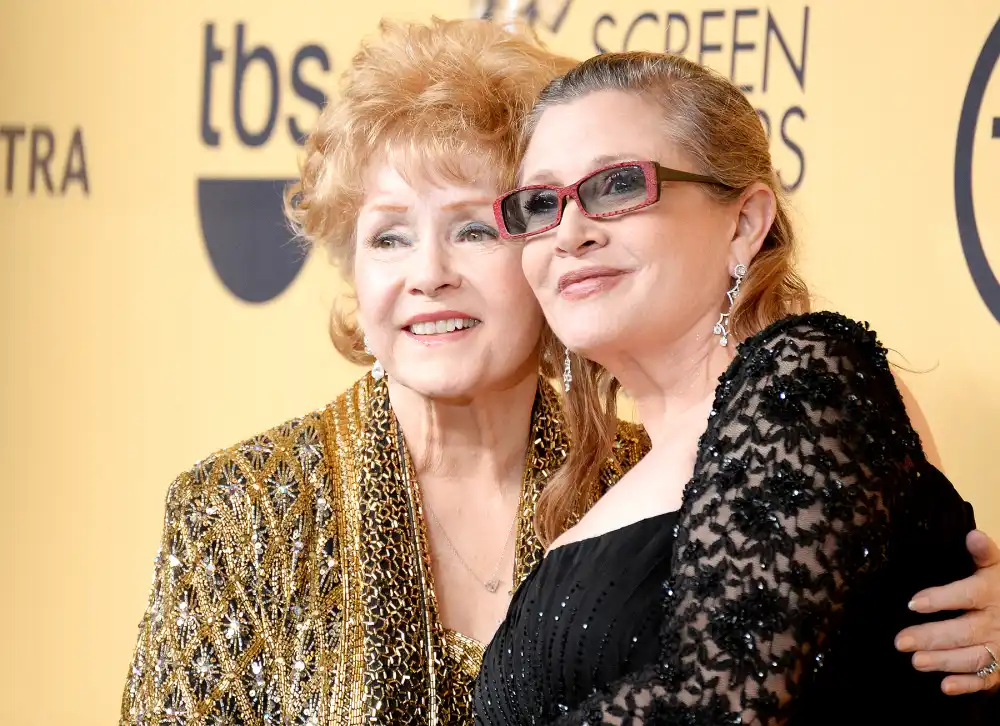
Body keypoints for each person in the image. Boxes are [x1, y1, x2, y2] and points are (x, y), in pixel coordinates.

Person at [119, 19, 999, 726]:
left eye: (476, 227)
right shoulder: (247, 507)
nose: (429, 271)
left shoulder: (677, 456)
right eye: (388, 236)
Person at [473, 50, 1000, 724]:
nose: (571, 232)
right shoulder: (614, 475)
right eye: (541, 203)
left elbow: (711, 703)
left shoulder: (806, 377)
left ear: (745, 223)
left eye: (617, 186)